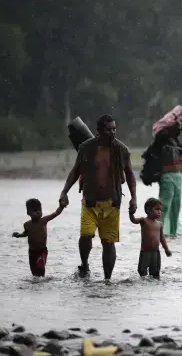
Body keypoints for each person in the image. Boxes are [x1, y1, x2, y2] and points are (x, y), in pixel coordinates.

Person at [59, 114, 137, 280]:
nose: (113, 132)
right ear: (99, 131)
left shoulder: (121, 150)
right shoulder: (86, 148)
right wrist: (64, 191)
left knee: (108, 243)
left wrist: (133, 198)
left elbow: (130, 174)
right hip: (90, 202)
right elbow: (76, 171)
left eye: (114, 129)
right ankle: (85, 263)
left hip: (112, 203)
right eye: (109, 129)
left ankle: (107, 279)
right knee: (86, 235)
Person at [149, 105, 182, 237]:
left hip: (178, 175)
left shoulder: (175, 141)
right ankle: (157, 232)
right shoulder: (161, 139)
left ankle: (173, 232)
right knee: (164, 205)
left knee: (176, 207)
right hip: (167, 175)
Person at [12, 199, 66, 277]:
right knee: (34, 272)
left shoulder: (44, 220)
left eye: (39, 210)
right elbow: (26, 234)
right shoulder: (27, 224)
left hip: (42, 251)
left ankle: (42, 283)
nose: (38, 212)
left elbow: (56, 213)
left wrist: (61, 206)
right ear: (28, 213)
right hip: (32, 252)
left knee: (41, 268)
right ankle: (36, 286)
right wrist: (19, 235)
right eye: (35, 210)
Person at [129, 197, 172, 279]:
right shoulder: (144, 221)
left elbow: (162, 238)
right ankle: (143, 285)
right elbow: (134, 220)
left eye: (160, 210)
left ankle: (154, 286)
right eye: (157, 209)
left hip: (155, 253)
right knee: (142, 272)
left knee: (155, 273)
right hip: (145, 252)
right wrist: (131, 213)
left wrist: (166, 249)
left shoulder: (159, 224)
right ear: (148, 210)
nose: (159, 212)